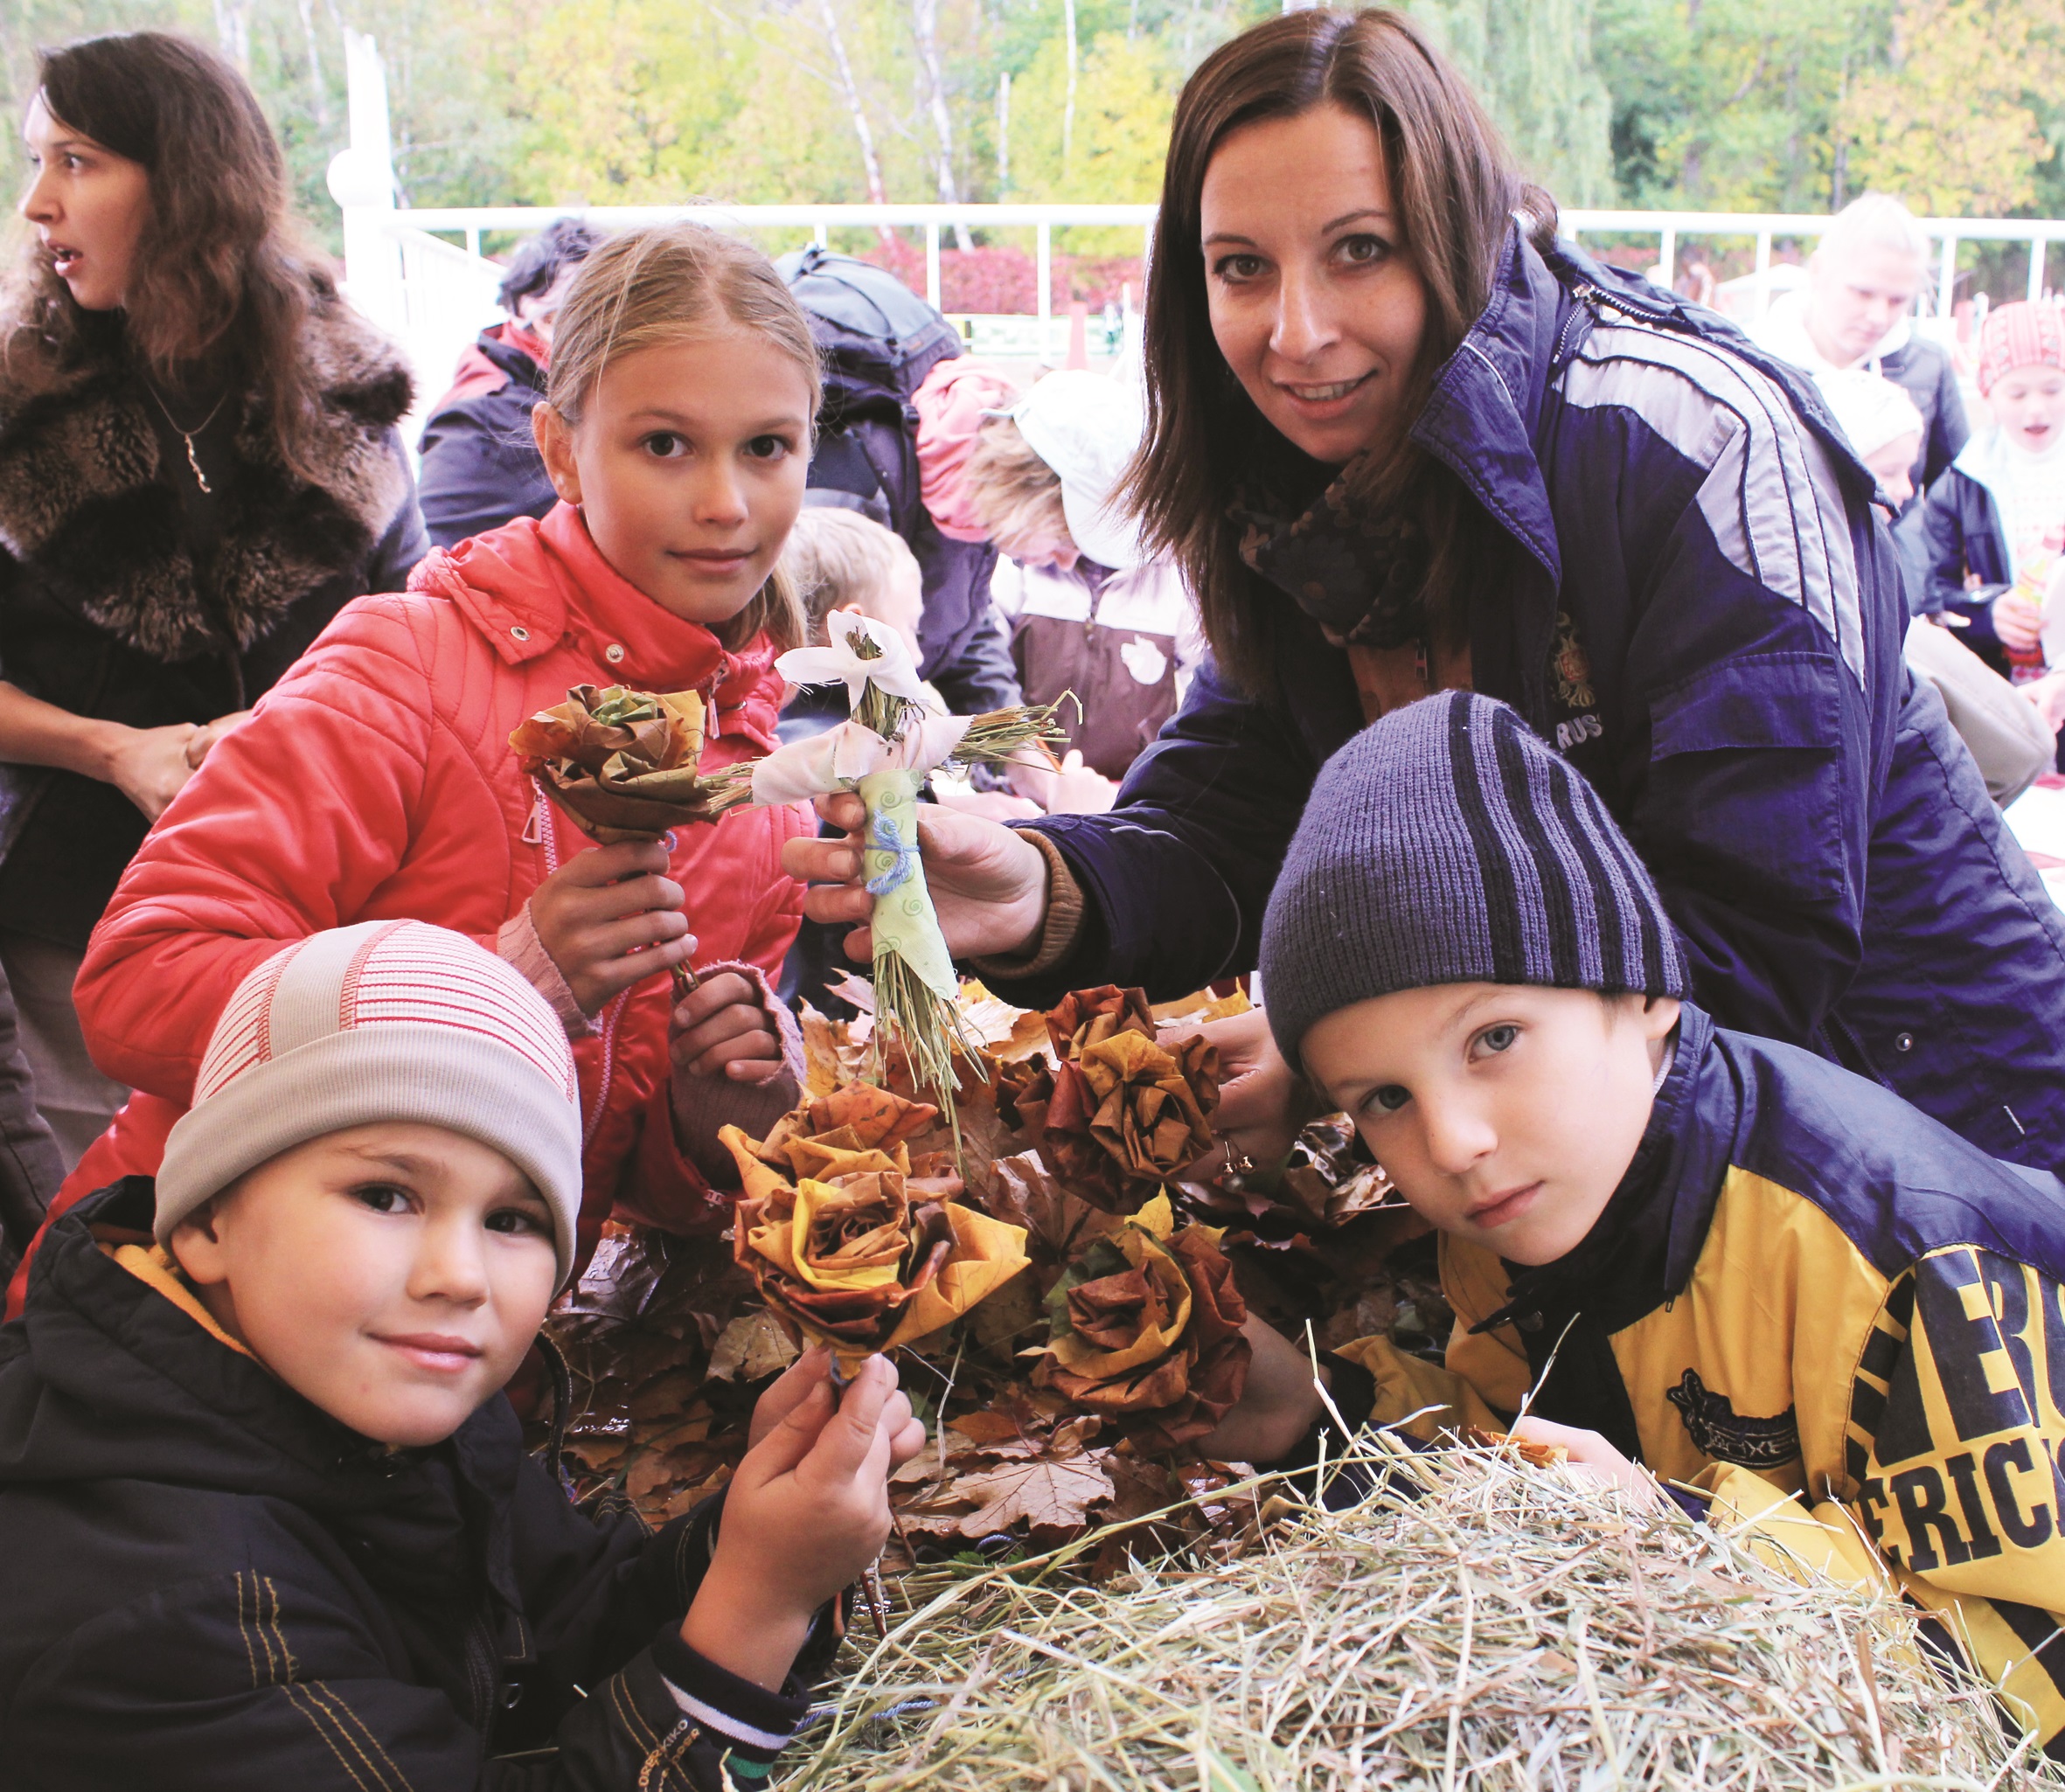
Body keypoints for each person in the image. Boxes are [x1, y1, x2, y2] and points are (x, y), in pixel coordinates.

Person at [786, 6, 2065, 1177]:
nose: (1295, 331)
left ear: (1458, 231)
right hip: (1578, 1182)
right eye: (1240, 267)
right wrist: (1042, 888)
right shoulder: (1293, 487)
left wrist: (1365, 1059)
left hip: (1924, 1147)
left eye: (1360, 250)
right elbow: (1234, 823)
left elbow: (1750, 937)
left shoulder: (1693, 443)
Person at [1201, 692, 2065, 1761]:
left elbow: (2023, 1685)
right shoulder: (1523, 1204)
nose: (1453, 1140)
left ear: (1643, 990)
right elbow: (1517, 1452)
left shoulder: (1908, 1261)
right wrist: (1314, 1417)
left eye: (1494, 1038)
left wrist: (1685, 1548)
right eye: (1383, 1098)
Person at [11, 220, 818, 1315]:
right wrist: (492, 986)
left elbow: (612, 1184)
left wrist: (713, 1117)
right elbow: (137, 988)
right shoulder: (407, 667)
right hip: (196, 1329)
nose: (725, 502)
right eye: (665, 444)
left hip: (454, 1353)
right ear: (560, 450)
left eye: (766, 447)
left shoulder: (759, 793)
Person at [0, 920, 923, 1786]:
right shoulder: (171, 1618)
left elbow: (566, 1613)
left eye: (513, 1219)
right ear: (206, 1220)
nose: (460, 1276)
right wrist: (758, 1608)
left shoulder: (383, 1393)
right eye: (385, 1196)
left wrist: (751, 1530)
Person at [0, 31, 427, 1163]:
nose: (38, 203)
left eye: (77, 161)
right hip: (70, 914)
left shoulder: (346, 384)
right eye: (37, 162)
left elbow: (416, 641)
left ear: (187, 179)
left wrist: (293, 733)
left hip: (317, 907)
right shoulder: (12, 398)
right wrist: (112, 749)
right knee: (107, 1222)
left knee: (296, 1207)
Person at [969, 369, 1206, 809]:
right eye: (1057, 544)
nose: (1062, 560)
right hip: (1019, 797)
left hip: (1126, 802)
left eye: (1069, 541)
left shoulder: (1176, 580)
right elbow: (980, 682)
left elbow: (1207, 710)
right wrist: (1014, 767)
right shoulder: (1016, 573)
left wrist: (1161, 793)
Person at [1751, 192, 1968, 510]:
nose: (1879, 317)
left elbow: (1957, 503)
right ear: (1818, 271)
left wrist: (1910, 543)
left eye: (1897, 300)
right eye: (1863, 293)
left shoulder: (1929, 367)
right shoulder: (1754, 363)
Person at [417, 215, 607, 548]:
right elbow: (432, 557)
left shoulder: (509, 380)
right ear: (547, 321)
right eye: (604, 319)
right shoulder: (478, 422)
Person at [1917, 302, 2065, 700]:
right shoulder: (1961, 484)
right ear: (1988, 394)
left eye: (2053, 389)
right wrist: (1988, 615)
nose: (2036, 408)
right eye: (2016, 393)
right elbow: (1932, 593)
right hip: (2000, 694)